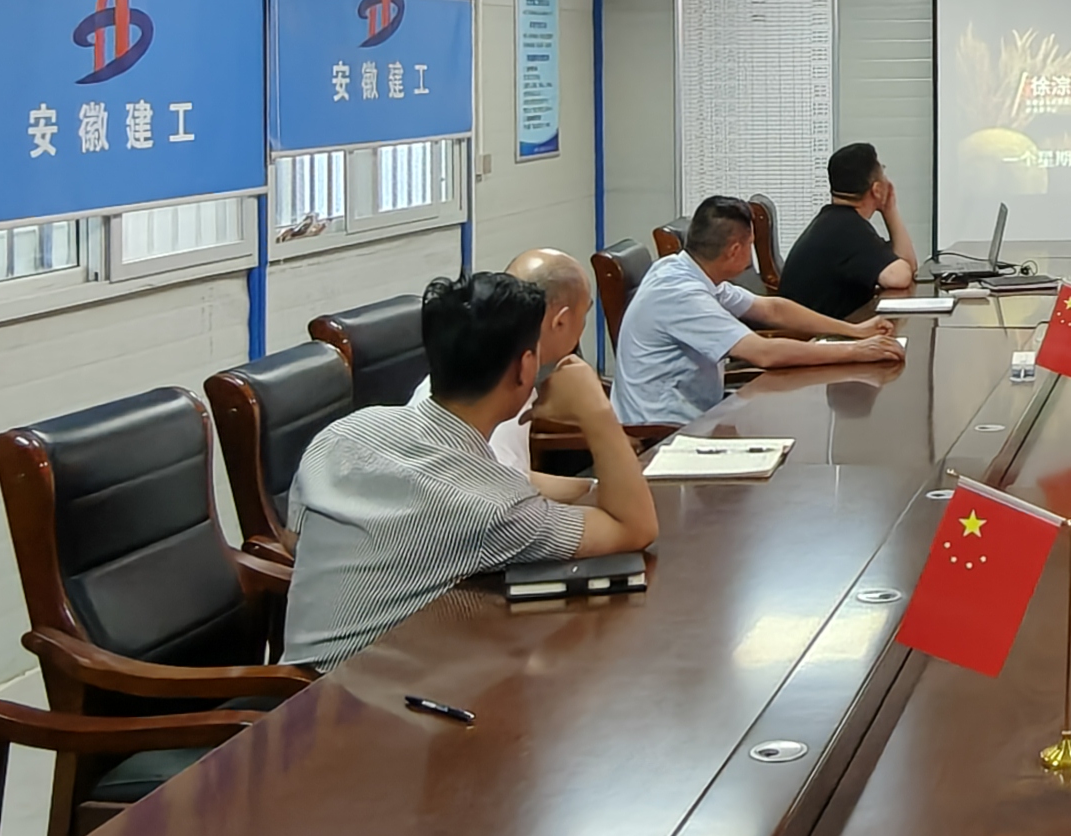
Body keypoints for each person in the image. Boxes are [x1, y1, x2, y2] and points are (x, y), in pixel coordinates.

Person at [280, 269, 657, 668]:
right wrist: (595, 411)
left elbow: (294, 542)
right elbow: (635, 528)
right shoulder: (494, 506)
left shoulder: (343, 433)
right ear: (525, 367)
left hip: (299, 687)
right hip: (364, 694)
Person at [614, 193, 902, 425]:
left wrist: (853, 330)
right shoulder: (681, 294)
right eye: (750, 244)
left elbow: (771, 309)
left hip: (698, 414)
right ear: (734, 250)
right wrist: (855, 352)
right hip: (663, 430)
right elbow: (763, 353)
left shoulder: (685, 269)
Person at [484, 249, 597, 478]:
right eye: (584, 314)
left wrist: (591, 488)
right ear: (560, 321)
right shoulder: (505, 392)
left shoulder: (490, 357)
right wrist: (600, 418)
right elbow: (504, 487)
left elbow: (520, 477)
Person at [778, 142, 916, 320]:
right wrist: (890, 209)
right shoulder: (848, 230)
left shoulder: (836, 221)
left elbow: (906, 266)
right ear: (876, 189)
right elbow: (900, 277)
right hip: (811, 335)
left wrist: (890, 210)